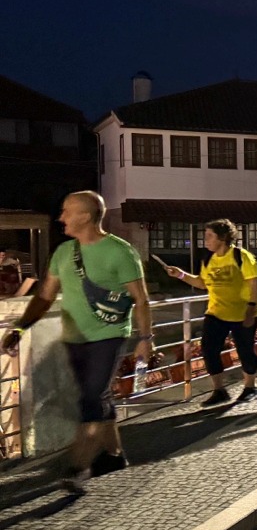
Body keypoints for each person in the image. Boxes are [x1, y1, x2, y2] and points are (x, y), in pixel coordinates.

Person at [2, 191, 151, 494]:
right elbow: (44, 296)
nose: (61, 218)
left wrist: (145, 339)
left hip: (108, 337)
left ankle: (78, 467)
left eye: (66, 212)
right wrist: (19, 328)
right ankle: (114, 456)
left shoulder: (120, 252)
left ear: (84, 216)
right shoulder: (63, 253)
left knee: (91, 399)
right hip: (74, 338)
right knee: (99, 398)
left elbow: (141, 299)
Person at [164, 219, 257, 406]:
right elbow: (202, 283)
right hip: (216, 312)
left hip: (242, 313)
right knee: (209, 349)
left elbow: (254, 283)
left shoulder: (242, 256)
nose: (205, 240)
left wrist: (251, 308)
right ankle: (219, 390)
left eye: (209, 236)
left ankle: (250, 387)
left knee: (245, 350)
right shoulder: (208, 259)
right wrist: (180, 275)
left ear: (223, 237)